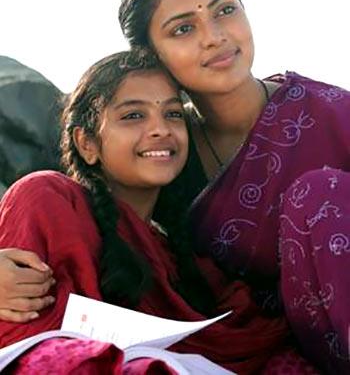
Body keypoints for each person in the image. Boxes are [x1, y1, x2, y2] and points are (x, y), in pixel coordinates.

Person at [116, 0, 350, 373]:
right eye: (184, 28)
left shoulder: (334, 113)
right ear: (152, 55)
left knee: (319, 195)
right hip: (262, 353)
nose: (214, 35)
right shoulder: (162, 148)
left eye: (225, 10)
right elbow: (86, 214)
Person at [0, 49, 305, 374]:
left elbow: (250, 333)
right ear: (87, 143)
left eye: (173, 114)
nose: (160, 129)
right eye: (133, 116)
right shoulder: (49, 198)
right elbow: (23, 341)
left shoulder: (185, 256)